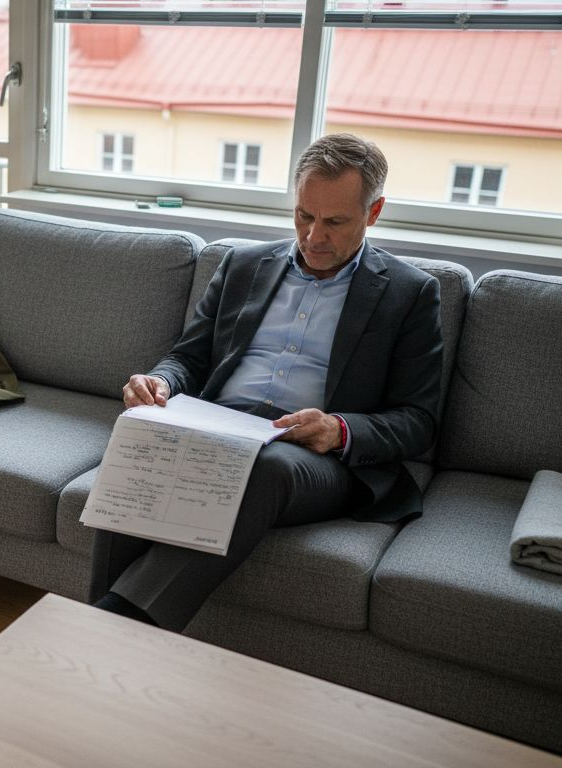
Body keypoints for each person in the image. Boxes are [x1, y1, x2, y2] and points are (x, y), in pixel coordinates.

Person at [92, 133, 444, 632]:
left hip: (311, 457)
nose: (314, 236)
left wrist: (338, 429)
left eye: (335, 221)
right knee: (141, 434)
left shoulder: (410, 294)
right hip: (217, 427)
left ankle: (106, 627)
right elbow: (187, 358)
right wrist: (161, 383)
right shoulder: (243, 265)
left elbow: (418, 420)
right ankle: (106, 641)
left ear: (375, 211)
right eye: (305, 215)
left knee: (263, 466)